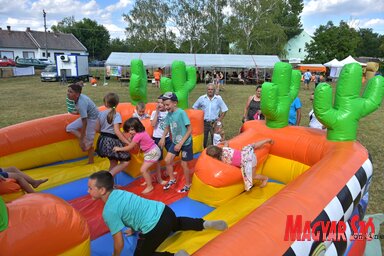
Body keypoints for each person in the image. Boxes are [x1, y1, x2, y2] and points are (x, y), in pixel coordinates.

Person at [88, 171, 228, 256]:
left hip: (155, 227)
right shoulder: (119, 191)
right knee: (177, 223)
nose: (88, 191)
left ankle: (175, 255)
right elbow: (131, 208)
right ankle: (204, 223)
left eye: (90, 188)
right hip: (165, 211)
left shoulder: (109, 211)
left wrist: (115, 255)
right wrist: (132, 227)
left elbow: (119, 243)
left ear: (101, 191)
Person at [113, 118, 162, 194]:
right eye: (129, 130)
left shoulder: (138, 136)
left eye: (132, 130)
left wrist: (119, 148)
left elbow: (130, 147)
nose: (130, 132)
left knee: (143, 169)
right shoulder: (141, 132)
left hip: (153, 152)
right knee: (146, 168)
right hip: (151, 151)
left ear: (137, 127)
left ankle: (150, 186)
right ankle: (148, 180)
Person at [206, 139, 273, 191]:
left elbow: (228, 166)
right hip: (248, 153)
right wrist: (223, 142)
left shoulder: (223, 160)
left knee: (252, 176)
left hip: (249, 162)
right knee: (253, 145)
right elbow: (227, 143)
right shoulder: (224, 149)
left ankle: (265, 178)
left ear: (214, 157)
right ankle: (266, 140)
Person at [159, 92, 193, 193]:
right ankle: (172, 179)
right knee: (167, 160)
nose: (166, 107)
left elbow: (190, 129)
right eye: (164, 105)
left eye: (168, 104)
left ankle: (188, 184)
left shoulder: (181, 113)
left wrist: (181, 143)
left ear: (175, 103)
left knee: (184, 164)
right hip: (175, 141)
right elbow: (167, 126)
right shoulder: (169, 114)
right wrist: (163, 137)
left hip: (185, 143)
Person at [96, 93, 131, 176]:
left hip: (102, 140)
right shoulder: (116, 114)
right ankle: (107, 177)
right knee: (126, 161)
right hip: (111, 141)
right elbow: (117, 131)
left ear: (105, 103)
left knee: (113, 163)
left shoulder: (100, 114)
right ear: (117, 103)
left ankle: (111, 185)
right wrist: (128, 142)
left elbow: (97, 129)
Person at [66, 83, 99, 164]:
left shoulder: (81, 103)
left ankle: (91, 161)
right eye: (68, 91)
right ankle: (85, 141)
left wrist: (81, 138)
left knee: (89, 142)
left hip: (93, 119)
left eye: (70, 92)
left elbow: (85, 121)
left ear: (77, 94)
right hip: (87, 116)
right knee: (69, 128)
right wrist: (77, 112)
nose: (68, 93)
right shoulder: (77, 99)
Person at [150, 95, 172, 185]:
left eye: (161, 103)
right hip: (157, 138)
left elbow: (170, 126)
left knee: (171, 155)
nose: (159, 104)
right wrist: (157, 113)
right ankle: (159, 178)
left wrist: (171, 135)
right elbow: (153, 124)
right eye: (158, 102)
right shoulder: (154, 113)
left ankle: (168, 171)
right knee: (158, 160)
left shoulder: (168, 113)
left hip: (167, 138)